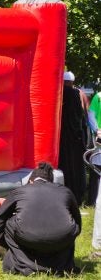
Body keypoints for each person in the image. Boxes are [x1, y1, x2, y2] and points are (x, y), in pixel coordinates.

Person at [0, 161, 81, 276]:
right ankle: (58, 264)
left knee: (9, 222)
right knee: (68, 225)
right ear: (51, 182)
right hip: (61, 241)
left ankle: (22, 261)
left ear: (31, 181)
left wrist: (12, 246)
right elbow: (77, 224)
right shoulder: (65, 191)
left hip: (26, 239)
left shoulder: (19, 191)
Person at [58, 71, 86, 205]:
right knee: (75, 168)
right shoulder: (76, 94)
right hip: (75, 139)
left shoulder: (61, 94)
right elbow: (79, 117)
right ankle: (76, 195)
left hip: (63, 139)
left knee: (64, 166)